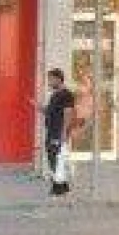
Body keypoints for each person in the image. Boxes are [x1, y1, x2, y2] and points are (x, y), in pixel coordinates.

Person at [42, 67, 79, 198]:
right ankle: (62, 188)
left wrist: (64, 133)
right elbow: (50, 111)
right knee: (53, 157)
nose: (49, 82)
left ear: (58, 79)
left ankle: (59, 188)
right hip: (52, 131)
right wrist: (40, 108)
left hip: (58, 132)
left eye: (51, 79)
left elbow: (68, 113)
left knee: (55, 158)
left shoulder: (66, 94)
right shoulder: (55, 95)